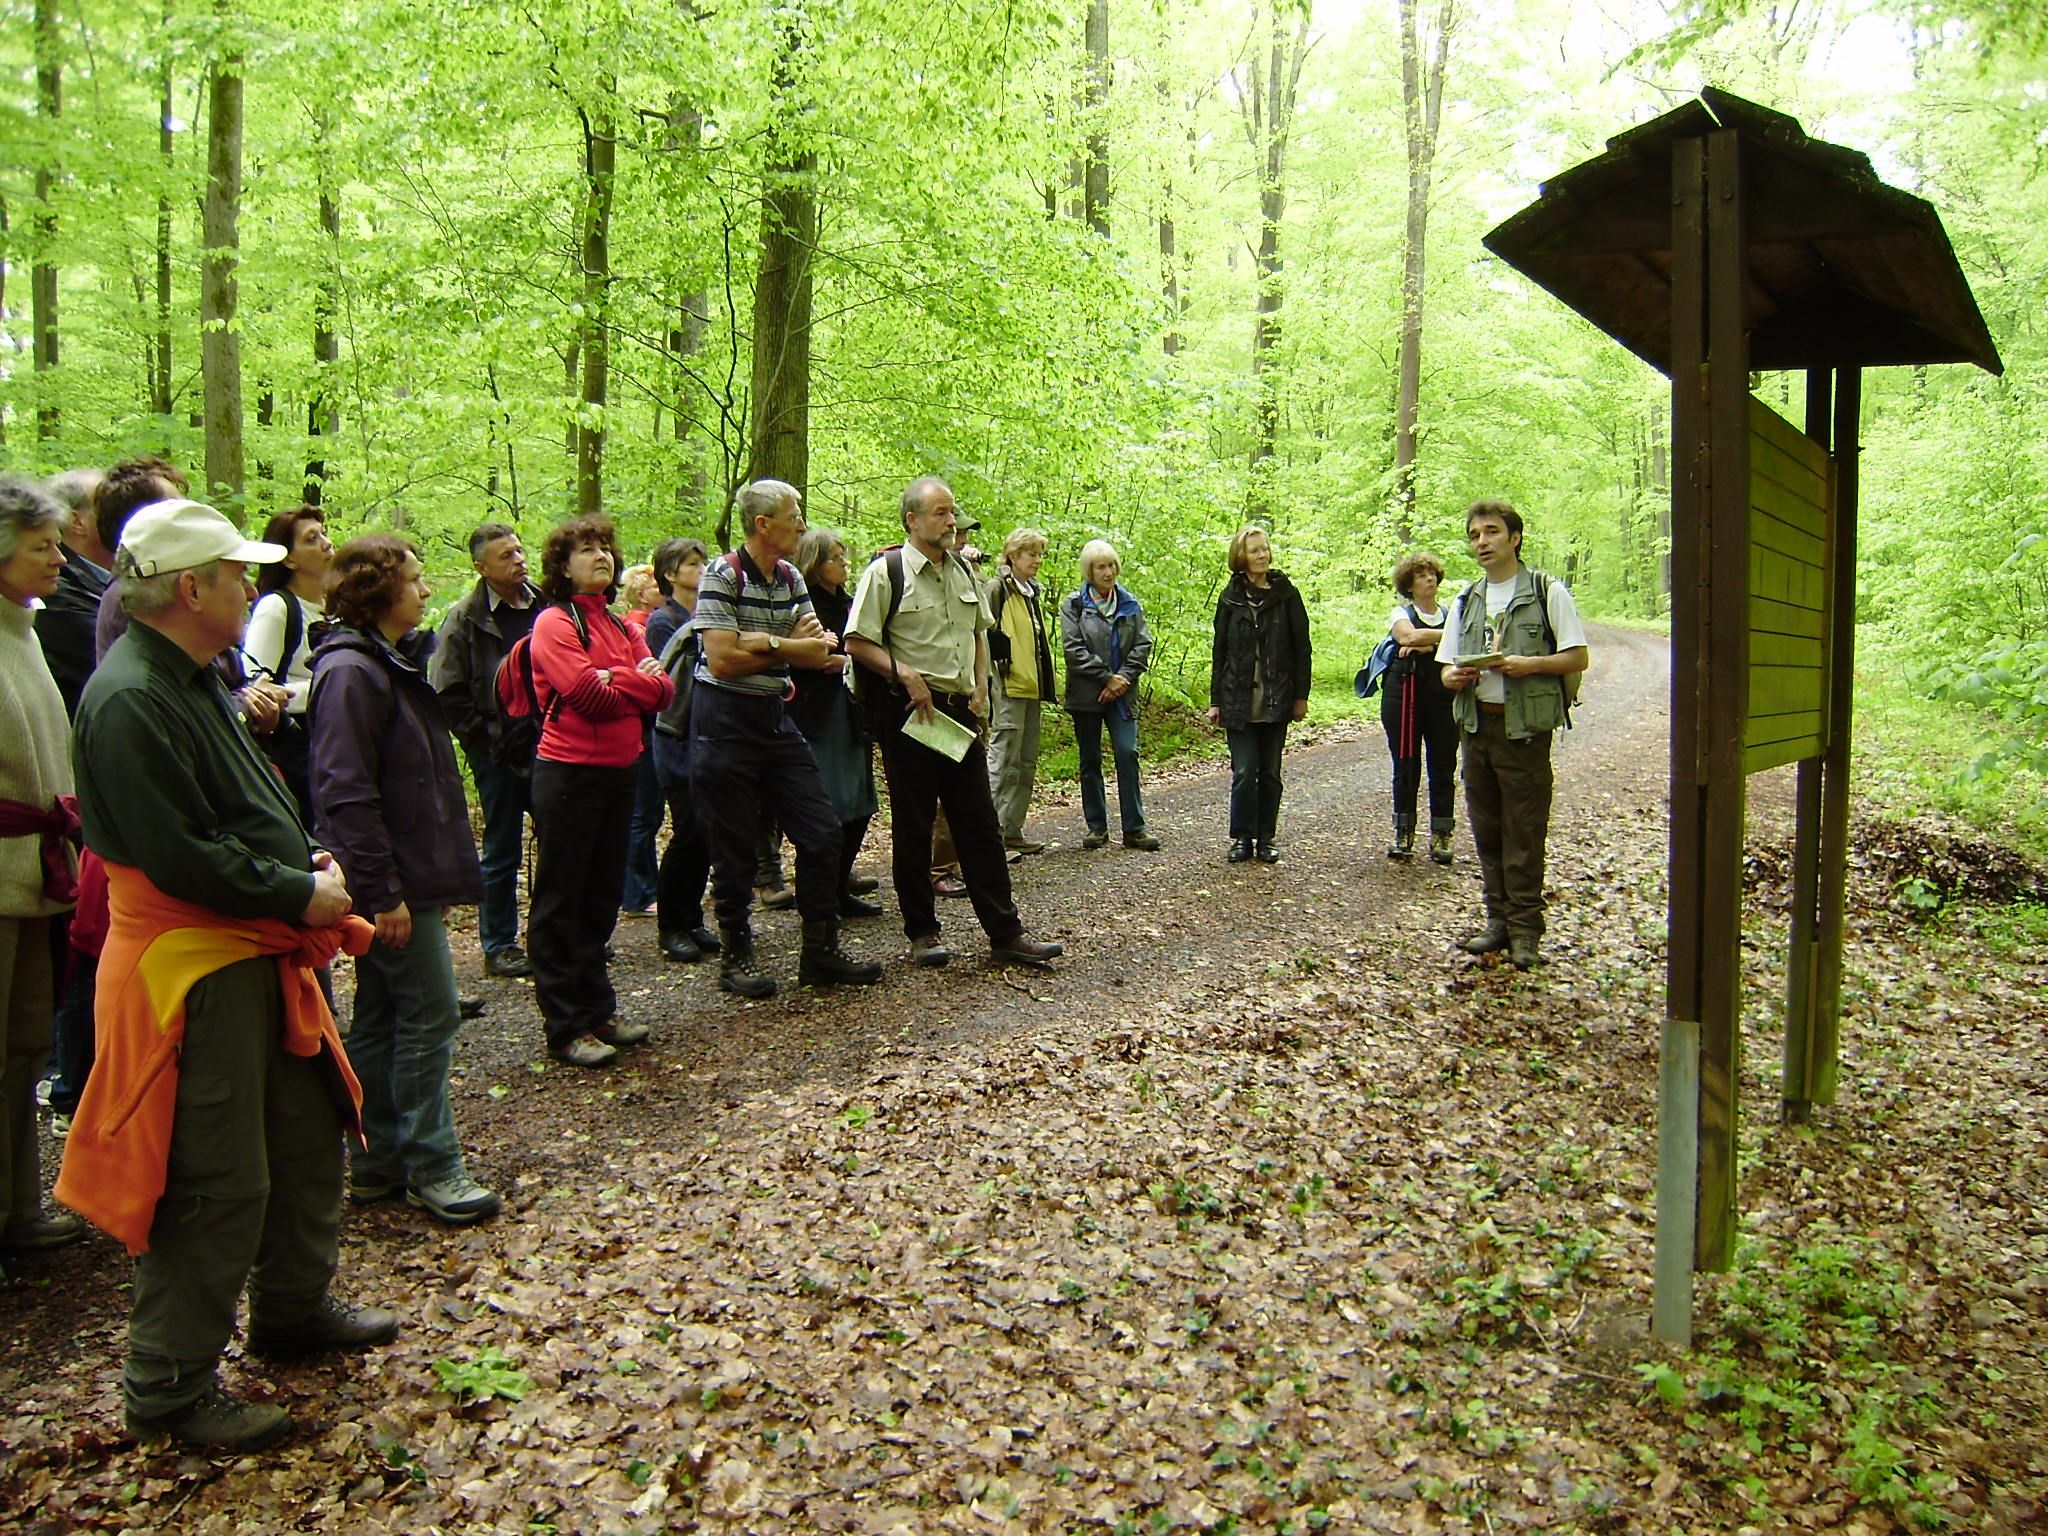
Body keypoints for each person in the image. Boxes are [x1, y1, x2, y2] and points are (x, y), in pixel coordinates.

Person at [58, 496, 395, 1453]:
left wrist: (305, 867)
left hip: (255, 946)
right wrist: (299, 890)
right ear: (190, 587)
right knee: (212, 1175)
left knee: (302, 1135)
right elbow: (184, 858)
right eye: (238, 572)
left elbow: (237, 810)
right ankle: (167, 1387)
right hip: (194, 967)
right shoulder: (129, 697)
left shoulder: (191, 673)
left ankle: (292, 1309)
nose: (254, 585)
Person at [309, 536, 499, 1225]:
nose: (425, 591)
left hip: (407, 876)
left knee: (386, 1016)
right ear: (376, 590)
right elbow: (344, 791)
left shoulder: (380, 664)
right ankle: (432, 1164)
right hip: (391, 885)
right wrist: (382, 891)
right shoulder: (352, 672)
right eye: (414, 580)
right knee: (431, 1012)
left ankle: (378, 1159)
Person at [845, 476, 1063, 970]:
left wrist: (982, 686)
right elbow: (857, 641)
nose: (950, 521)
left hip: (960, 713)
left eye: (952, 512)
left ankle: (1006, 932)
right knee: (915, 823)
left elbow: (981, 632)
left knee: (979, 824)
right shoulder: (887, 572)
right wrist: (906, 675)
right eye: (941, 513)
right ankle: (923, 931)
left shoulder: (962, 573)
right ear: (913, 520)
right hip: (912, 714)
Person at [690, 481, 881, 997]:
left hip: (774, 716)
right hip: (723, 720)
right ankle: (736, 954)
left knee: (822, 831)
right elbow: (723, 660)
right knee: (733, 846)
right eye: (794, 516)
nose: (801, 524)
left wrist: (764, 641)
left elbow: (821, 648)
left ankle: (819, 951)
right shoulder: (721, 574)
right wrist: (784, 645)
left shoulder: (792, 574)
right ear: (763, 525)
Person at [525, 515, 673, 1066]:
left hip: (620, 771)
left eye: (605, 549)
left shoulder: (618, 625)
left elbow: (664, 692)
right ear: (563, 566)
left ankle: (597, 1009)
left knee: (601, 897)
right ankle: (565, 1025)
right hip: (568, 775)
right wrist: (631, 682)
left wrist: (623, 680)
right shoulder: (553, 624)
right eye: (586, 550)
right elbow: (587, 696)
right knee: (562, 899)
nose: (601, 558)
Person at [1440, 498, 1590, 971]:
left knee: (1523, 830)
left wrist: (1529, 665)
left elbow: (1577, 656)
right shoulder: (1467, 599)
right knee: (1486, 829)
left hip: (1524, 730)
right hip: (1476, 725)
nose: (1481, 542)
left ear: (1514, 538)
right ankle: (1498, 921)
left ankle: (1526, 931)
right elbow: (1446, 667)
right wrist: (1455, 678)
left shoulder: (1547, 591)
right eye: (1474, 535)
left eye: (1491, 532)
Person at [0, 479, 85, 1267]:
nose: (58, 559)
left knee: (24, 1047)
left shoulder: (24, 629)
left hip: (35, 875)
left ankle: (18, 1213)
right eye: (41, 547)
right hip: (2, 876)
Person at [432, 522, 539, 980]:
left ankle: (553, 934)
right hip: (495, 749)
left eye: (518, 551)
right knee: (502, 845)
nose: (518, 560)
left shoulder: (546, 605)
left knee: (559, 836)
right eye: (505, 556)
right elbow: (445, 691)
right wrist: (485, 738)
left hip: (549, 741)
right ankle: (499, 943)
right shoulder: (465, 618)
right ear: (481, 567)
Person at [791, 527, 883, 920]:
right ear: (815, 563)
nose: (844, 565)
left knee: (861, 804)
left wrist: (846, 659)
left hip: (854, 711)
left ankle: (839, 884)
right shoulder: (803, 606)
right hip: (819, 715)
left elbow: (857, 650)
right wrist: (839, 659)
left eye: (845, 558)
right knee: (830, 806)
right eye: (835, 558)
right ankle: (818, 895)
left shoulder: (849, 604)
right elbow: (809, 660)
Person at [1208, 525, 1311, 864]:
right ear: (1241, 557)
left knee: (1270, 773)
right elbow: (1219, 652)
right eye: (1255, 550)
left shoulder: (1287, 595)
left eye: (1265, 549)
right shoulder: (1229, 598)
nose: (1262, 555)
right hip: (1237, 699)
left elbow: (1302, 649)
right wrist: (1215, 700)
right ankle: (1240, 837)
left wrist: (1301, 696)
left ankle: (1266, 837)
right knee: (1244, 771)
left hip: (1276, 699)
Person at [646, 538, 719, 964]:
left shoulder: (707, 615)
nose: (701, 568)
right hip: (676, 739)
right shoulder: (662, 620)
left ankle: (692, 918)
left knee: (706, 831)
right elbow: (666, 682)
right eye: (692, 563)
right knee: (689, 829)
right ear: (670, 574)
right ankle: (671, 924)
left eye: (703, 561)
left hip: (707, 737)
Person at [1061, 539, 1160, 852]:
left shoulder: (1130, 603)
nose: (1107, 572)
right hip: (1086, 695)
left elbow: (1143, 645)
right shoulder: (1074, 604)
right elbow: (1073, 650)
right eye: (1101, 567)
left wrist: (1123, 679)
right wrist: (1106, 677)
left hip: (1123, 696)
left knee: (1127, 754)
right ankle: (1097, 827)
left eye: (1111, 566)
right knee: (1090, 759)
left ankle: (1135, 828)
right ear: (1089, 571)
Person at [243, 505, 334, 822]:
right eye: (311, 539)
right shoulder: (276, 607)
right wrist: (325, 690)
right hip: (297, 747)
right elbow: (255, 686)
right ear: (289, 559)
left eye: (323, 533)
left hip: (333, 741)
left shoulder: (333, 608)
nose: (325, 542)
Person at [1380, 551, 1459, 864]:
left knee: (1443, 765)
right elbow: (1408, 635)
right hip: (1404, 695)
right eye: (1420, 575)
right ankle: (1404, 832)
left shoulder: (1452, 613)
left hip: (1443, 696)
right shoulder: (1399, 613)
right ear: (1409, 585)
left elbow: (1465, 639)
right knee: (1406, 764)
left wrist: (1427, 644)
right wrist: (1440, 640)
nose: (1429, 580)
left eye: (1431, 574)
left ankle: (1442, 835)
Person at [985, 528, 1054, 856]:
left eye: (1040, 554)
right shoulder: (997, 589)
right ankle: (990, 834)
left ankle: (1012, 829)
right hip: (1008, 684)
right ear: (1013, 556)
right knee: (1004, 758)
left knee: (1025, 761)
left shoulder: (1032, 592)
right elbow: (984, 633)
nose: (1037, 561)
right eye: (1031, 554)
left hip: (1031, 686)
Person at [37, 467, 109, 717]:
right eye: (110, 503)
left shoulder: (110, 579)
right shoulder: (54, 592)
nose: (124, 510)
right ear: (78, 522)